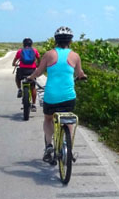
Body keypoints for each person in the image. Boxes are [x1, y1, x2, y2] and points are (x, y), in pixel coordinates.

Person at [25, 26, 86, 164]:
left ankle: (49, 146)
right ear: (70, 41)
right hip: (69, 97)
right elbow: (79, 73)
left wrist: (31, 77)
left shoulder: (48, 54)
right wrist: (83, 76)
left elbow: (39, 72)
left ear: (56, 40)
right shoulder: (75, 56)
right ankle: (69, 149)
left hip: (51, 97)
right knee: (68, 119)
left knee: (48, 119)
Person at [12, 38, 40, 111]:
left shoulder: (20, 51)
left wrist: (14, 64)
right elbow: (39, 58)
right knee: (33, 87)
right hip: (32, 71)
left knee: (17, 78)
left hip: (22, 70)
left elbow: (14, 61)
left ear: (23, 44)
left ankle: (19, 89)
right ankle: (34, 105)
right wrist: (38, 64)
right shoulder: (34, 50)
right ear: (31, 44)